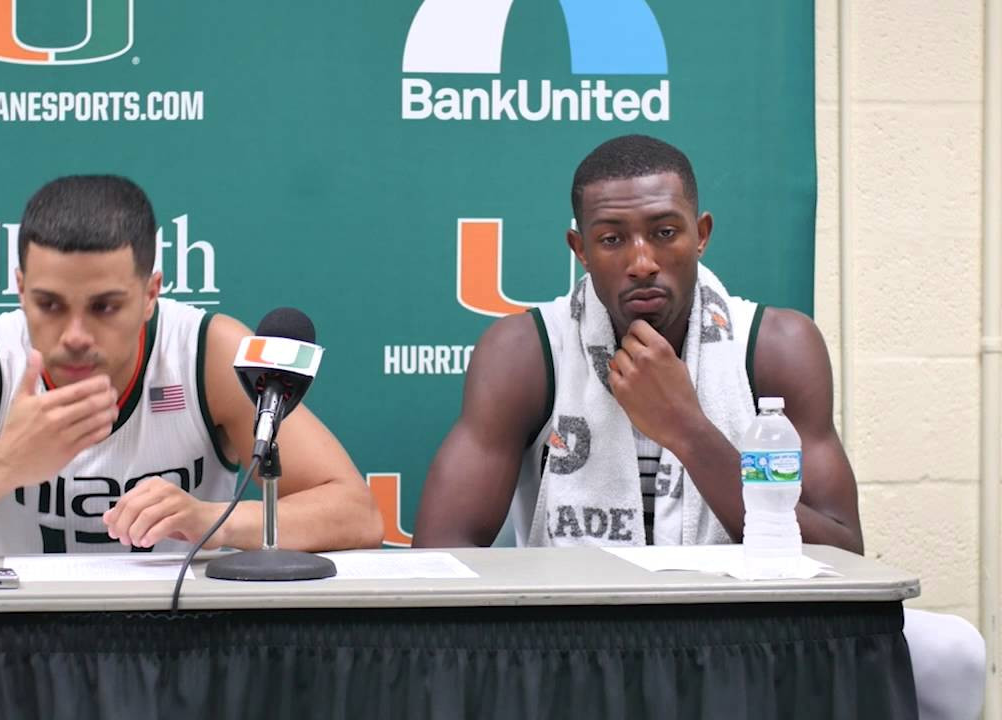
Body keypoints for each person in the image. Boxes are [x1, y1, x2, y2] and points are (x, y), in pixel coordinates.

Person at [413, 135, 984, 720]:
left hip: (747, 636)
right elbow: (438, 553)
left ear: (702, 233)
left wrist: (687, 431)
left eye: (665, 232)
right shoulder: (525, 351)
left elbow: (842, 552)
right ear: (579, 249)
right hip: (577, 643)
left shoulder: (777, 345)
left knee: (954, 652)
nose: (641, 261)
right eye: (612, 239)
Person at [0, 175, 383, 556]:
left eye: (106, 306)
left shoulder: (207, 354)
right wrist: (5, 462)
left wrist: (211, 520)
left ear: (151, 293)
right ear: (19, 289)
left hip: (178, 645)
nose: (76, 336)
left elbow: (356, 514)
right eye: (50, 305)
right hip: (10, 651)